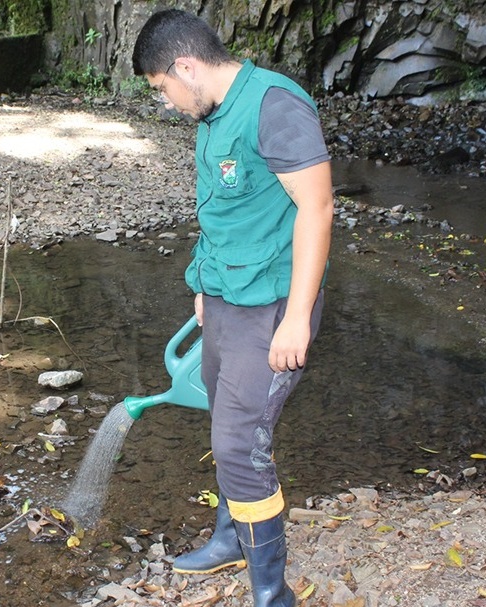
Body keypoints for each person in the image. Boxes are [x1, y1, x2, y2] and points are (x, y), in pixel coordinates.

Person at [132, 9, 333, 607]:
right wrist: (201, 282)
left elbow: (317, 210)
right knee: (226, 425)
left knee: (239, 444)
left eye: (161, 88)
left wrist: (297, 317)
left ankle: (273, 594)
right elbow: (221, 211)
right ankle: (228, 540)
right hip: (224, 300)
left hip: (272, 304)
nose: (165, 102)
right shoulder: (212, 113)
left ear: (185, 67)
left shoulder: (275, 106)